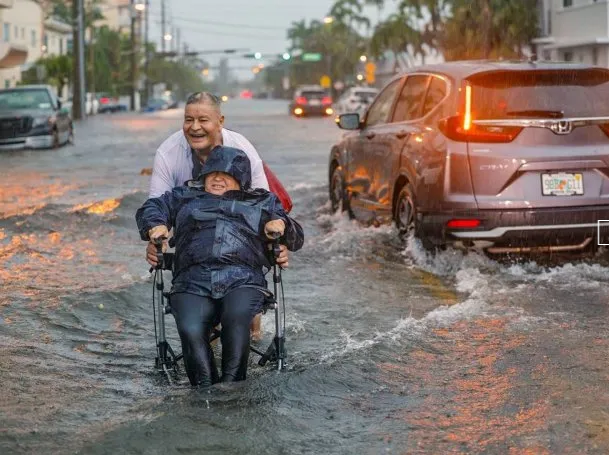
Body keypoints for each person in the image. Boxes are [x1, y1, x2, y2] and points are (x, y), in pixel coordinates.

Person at [136, 146, 304, 387]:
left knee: (236, 318)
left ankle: (232, 390)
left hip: (243, 279)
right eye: (212, 173)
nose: (217, 178)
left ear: (241, 179)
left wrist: (281, 224)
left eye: (226, 174)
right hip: (191, 280)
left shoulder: (262, 201)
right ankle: (204, 390)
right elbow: (152, 208)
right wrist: (155, 225)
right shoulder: (183, 196)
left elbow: (297, 239)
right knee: (191, 327)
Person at [146, 91, 291, 340]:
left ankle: (252, 329)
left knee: (245, 287)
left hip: (239, 240)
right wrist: (154, 237)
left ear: (220, 121)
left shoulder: (241, 149)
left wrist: (277, 242)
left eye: (203, 120)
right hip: (196, 234)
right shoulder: (168, 153)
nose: (195, 127)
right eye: (188, 120)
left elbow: (264, 206)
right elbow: (157, 205)